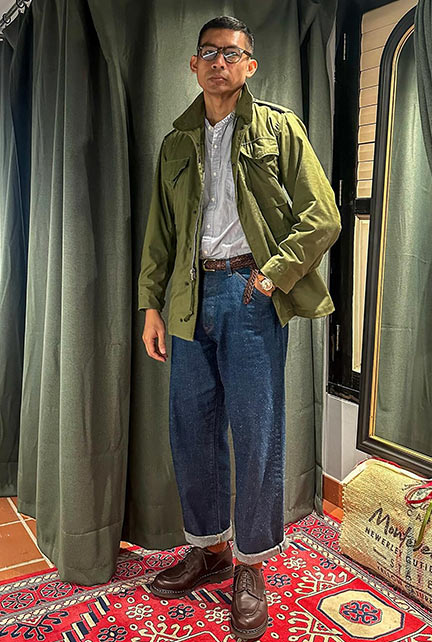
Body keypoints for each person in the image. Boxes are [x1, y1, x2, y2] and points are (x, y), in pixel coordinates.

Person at [138, 15, 341, 640]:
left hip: (251, 293)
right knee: (191, 430)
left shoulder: (279, 128)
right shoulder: (176, 143)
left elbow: (323, 216)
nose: (219, 62)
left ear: (250, 65)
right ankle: (209, 550)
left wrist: (272, 275)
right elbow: (160, 234)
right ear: (193, 65)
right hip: (187, 296)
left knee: (256, 433)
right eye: (209, 52)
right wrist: (151, 306)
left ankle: (251, 565)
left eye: (232, 53)